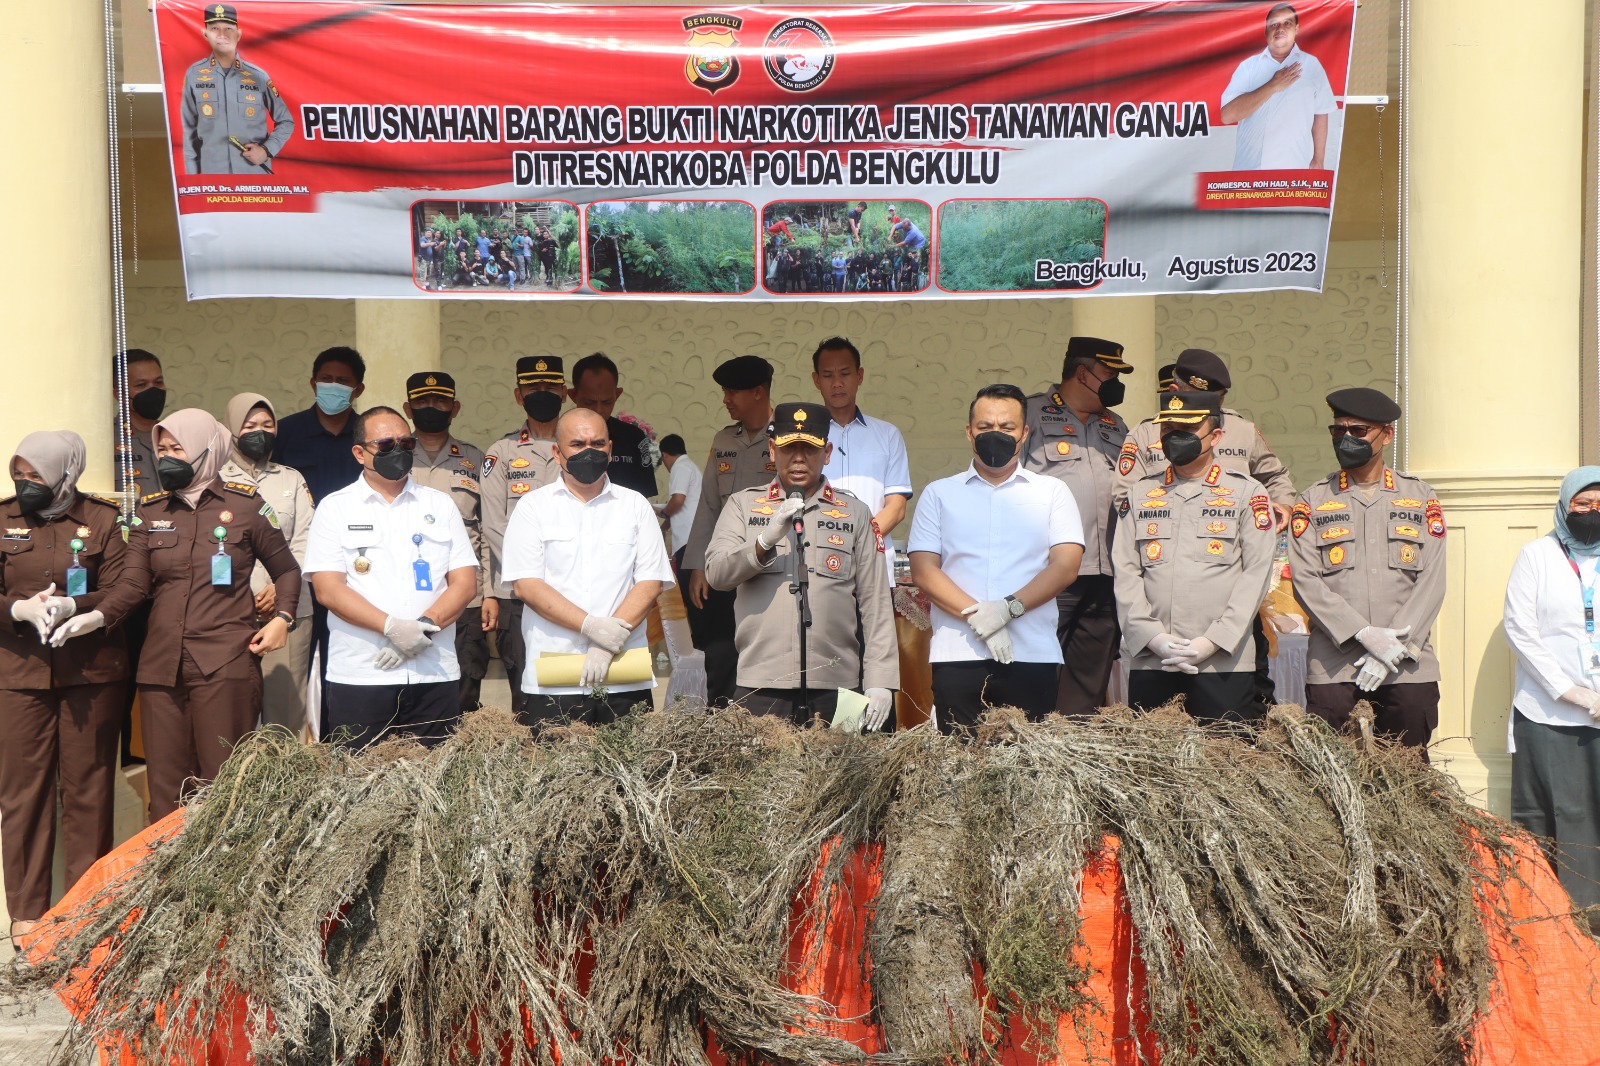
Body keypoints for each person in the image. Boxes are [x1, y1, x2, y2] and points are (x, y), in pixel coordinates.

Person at [55, 410, 300, 821]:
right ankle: (168, 879)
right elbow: (132, 585)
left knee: (225, 786)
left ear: (207, 450)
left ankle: (222, 880)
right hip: (161, 667)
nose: (167, 458)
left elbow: (287, 570)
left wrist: (283, 618)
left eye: (177, 449)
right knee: (167, 788)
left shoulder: (247, 507)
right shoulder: (149, 513)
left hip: (226, 661)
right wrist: (94, 616)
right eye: (162, 449)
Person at [0, 432, 132, 947]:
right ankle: (27, 914)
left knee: (89, 790)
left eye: (37, 475)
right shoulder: (4, 517)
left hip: (92, 674)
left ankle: (86, 912)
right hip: (18, 674)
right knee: (23, 793)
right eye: (21, 473)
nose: (25, 484)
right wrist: (16, 609)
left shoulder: (102, 519)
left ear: (65, 473)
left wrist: (81, 609)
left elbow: (126, 584)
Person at [705, 402, 898, 728]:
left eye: (808, 449)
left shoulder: (856, 513)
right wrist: (764, 540)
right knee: (760, 778)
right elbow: (717, 574)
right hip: (761, 683)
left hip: (839, 683)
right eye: (788, 448)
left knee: (839, 776)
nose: (797, 458)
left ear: (827, 452)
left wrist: (881, 678)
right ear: (771, 450)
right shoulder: (742, 504)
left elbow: (875, 603)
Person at [908, 384, 1084, 730]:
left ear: (1024, 433)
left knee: (1028, 767)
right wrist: (980, 619)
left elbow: (1066, 566)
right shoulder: (939, 494)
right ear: (969, 432)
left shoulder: (1052, 493)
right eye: (985, 427)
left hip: (1032, 653)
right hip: (958, 655)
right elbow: (924, 571)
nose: (996, 434)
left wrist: (1007, 608)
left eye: (1007, 427)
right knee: (957, 764)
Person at [302, 407, 478, 748]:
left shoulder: (440, 505)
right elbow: (328, 589)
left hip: (433, 671)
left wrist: (422, 627)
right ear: (359, 453)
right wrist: (392, 628)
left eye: (406, 443)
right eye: (385, 445)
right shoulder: (335, 508)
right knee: (359, 785)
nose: (398, 451)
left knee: (435, 785)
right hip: (362, 674)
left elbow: (464, 583)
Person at [1289, 388, 1445, 750]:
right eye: (1337, 431)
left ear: (1386, 435)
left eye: (1358, 432)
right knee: (1334, 775)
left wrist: (1396, 644)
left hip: (1407, 663)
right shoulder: (1313, 499)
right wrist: (1363, 633)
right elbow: (1306, 580)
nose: (1346, 439)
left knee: (1408, 775)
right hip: (1334, 663)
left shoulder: (1421, 497)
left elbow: (1432, 580)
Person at [501, 409, 673, 724]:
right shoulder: (532, 508)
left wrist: (609, 643)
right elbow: (527, 585)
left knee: (629, 769)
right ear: (557, 452)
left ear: (610, 449)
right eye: (577, 444)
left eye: (597, 443)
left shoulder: (635, 506)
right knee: (555, 771)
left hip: (623, 672)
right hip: (554, 675)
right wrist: (591, 627)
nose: (588, 451)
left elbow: (650, 582)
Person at [1113, 392, 1276, 722]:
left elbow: (1256, 575)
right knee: (1152, 766)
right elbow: (1126, 571)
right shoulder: (1140, 493)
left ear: (1215, 436)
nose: (1174, 437)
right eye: (1168, 429)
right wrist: (1151, 637)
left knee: (1226, 762)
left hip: (1222, 662)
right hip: (1153, 659)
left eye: (1185, 430)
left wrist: (1212, 641)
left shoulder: (1247, 493)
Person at [1021, 336, 1135, 715]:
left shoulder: (1117, 426)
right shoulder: (1030, 415)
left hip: (1108, 576)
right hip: (1049, 573)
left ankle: (1072, 754)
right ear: (1083, 374)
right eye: (1109, 373)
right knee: (1036, 673)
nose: (1116, 381)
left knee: (1088, 683)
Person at [1503, 467, 1600, 910]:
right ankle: (1559, 914)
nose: (1592, 512)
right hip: (1549, 712)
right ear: (1565, 506)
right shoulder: (1537, 555)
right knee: (1559, 815)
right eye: (1583, 503)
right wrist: (1570, 692)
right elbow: (1520, 630)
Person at [219, 392, 316, 736]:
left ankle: (285, 789)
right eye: (249, 425)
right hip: (229, 612)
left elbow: (307, 539)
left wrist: (280, 588)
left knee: (284, 716)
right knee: (228, 713)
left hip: (289, 612)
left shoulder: (292, 479)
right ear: (231, 428)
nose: (260, 431)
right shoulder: (214, 480)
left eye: (267, 424)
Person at [681, 355, 776, 705]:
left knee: (766, 654)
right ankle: (721, 730)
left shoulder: (785, 436)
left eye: (732, 391)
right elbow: (708, 504)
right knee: (720, 656)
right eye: (724, 391)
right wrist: (696, 566)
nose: (725, 399)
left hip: (769, 567)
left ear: (758, 392)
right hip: (724, 567)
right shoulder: (724, 439)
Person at [403, 372, 497, 715]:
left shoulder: (475, 460)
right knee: (410, 687)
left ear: (454, 407)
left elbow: (487, 531)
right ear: (407, 408)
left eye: (440, 401)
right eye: (423, 402)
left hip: (466, 598)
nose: (432, 407)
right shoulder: (394, 459)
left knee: (464, 688)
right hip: (408, 595)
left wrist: (489, 594)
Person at [1117, 348, 1295, 526]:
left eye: (1218, 399)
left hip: (1232, 542)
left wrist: (1285, 506)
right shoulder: (1146, 433)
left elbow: (1274, 477)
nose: (1212, 408)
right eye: (1202, 399)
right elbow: (1125, 496)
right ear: (1174, 391)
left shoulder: (1242, 430)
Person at [481, 356, 568, 717]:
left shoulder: (578, 447)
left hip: (572, 589)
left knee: (571, 684)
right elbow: (493, 523)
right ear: (519, 395)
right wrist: (537, 569)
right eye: (534, 389)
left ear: (564, 393)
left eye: (550, 388)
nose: (542, 394)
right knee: (525, 691)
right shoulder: (500, 453)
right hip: (520, 593)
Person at [811, 337, 913, 575]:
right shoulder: (805, 438)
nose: (837, 383)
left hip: (874, 566)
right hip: (817, 565)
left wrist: (856, 544)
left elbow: (896, 508)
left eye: (845, 373)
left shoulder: (888, 435)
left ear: (860, 376)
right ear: (816, 380)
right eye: (827, 375)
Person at [179, 4, 294, 175]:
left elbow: (286, 121)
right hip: (212, 180)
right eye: (214, 28)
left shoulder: (258, 76)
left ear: (238, 34)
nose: (222, 34)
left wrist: (266, 150)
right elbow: (189, 131)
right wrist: (193, 181)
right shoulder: (194, 74)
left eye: (228, 28)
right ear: (205, 33)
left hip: (254, 178)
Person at [1219, 3, 1335, 170]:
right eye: (1274, 24)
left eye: (1287, 23)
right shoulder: (1248, 67)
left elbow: (1321, 113)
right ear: (1266, 31)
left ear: (1297, 29)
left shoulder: (1311, 65)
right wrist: (1272, 85)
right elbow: (1227, 116)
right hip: (1250, 173)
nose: (1280, 28)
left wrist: (1318, 159)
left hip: (1295, 171)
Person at [273, 346, 367, 506]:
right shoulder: (283, 433)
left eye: (342, 381)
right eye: (326, 378)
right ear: (313, 384)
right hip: (302, 528)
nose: (333, 385)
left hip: (359, 526)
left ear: (358, 390)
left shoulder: (369, 435)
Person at [570, 352, 658, 497]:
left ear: (617, 394)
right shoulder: (559, 438)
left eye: (606, 402)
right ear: (573, 395)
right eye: (589, 402)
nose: (598, 410)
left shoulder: (633, 438)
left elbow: (643, 498)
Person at [113, 348, 164, 501]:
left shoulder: (176, 437)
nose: (153, 390)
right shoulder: (107, 441)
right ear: (118, 394)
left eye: (158, 382)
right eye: (141, 385)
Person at [656, 434, 702, 569]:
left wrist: (663, 512)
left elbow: (677, 501)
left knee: (688, 584)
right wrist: (663, 527)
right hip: (693, 537)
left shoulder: (680, 466)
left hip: (688, 539)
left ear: (664, 455)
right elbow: (679, 507)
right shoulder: (689, 466)